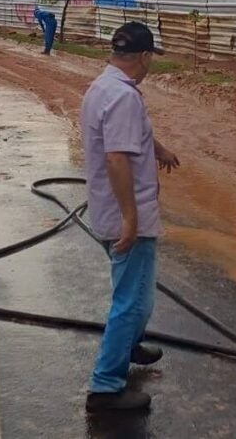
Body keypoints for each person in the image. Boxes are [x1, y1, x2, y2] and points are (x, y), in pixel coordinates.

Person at [80, 21, 180, 412]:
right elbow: (117, 156)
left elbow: (128, 135)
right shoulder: (122, 97)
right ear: (143, 56)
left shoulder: (105, 87)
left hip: (109, 207)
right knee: (133, 300)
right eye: (151, 56)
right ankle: (105, 386)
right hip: (123, 213)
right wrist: (130, 219)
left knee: (135, 293)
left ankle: (130, 345)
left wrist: (159, 150)